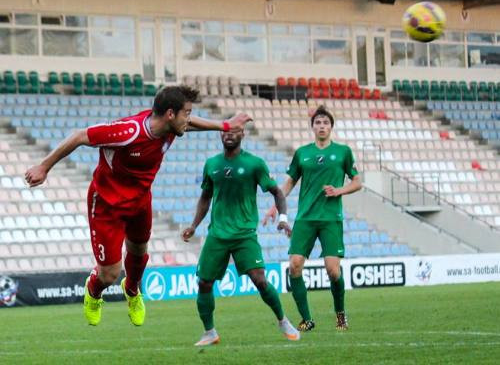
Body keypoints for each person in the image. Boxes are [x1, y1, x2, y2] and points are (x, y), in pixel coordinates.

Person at [25, 86, 251, 327]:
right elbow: (80, 136)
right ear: (170, 114)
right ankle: (93, 292)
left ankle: (132, 290)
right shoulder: (129, 132)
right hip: (107, 205)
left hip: (140, 200)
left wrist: (225, 126)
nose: (189, 119)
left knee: (139, 251)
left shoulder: (172, 127)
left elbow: (192, 123)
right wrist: (44, 167)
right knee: (109, 274)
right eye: (186, 113)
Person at [182, 126, 300, 346]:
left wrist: (283, 218)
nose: (229, 134)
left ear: (243, 135)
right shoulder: (212, 164)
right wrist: (193, 225)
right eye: (225, 130)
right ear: (220, 134)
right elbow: (205, 198)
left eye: (234, 131)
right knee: (204, 283)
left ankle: (283, 320)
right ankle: (210, 332)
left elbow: (277, 192)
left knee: (260, 280)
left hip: (244, 233)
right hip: (217, 234)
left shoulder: (254, 164)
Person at [263, 105, 361, 332]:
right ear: (312, 127)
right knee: (294, 265)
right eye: (318, 122)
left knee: (332, 270)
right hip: (305, 218)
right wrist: (273, 207)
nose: (322, 126)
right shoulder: (302, 153)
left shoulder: (343, 152)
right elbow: (289, 182)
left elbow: (357, 182)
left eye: (326, 123)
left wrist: (339, 191)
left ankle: (340, 315)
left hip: (330, 218)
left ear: (331, 127)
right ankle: (307, 319)